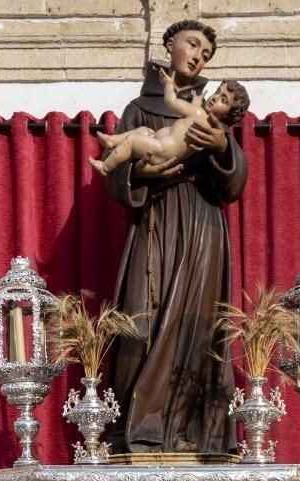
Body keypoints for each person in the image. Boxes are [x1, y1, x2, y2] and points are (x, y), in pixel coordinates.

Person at [101, 19, 250, 456]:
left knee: (196, 323)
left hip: (203, 225)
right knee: (141, 321)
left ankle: (199, 434)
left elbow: (234, 184)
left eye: (205, 53)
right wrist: (141, 172)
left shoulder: (214, 113)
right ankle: (137, 432)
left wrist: (224, 147)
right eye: (192, 45)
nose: (198, 56)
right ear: (170, 45)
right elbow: (116, 172)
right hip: (156, 222)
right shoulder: (140, 107)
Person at [90, 71, 250, 177]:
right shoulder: (203, 118)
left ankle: (105, 167)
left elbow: (171, 101)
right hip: (161, 147)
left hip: (161, 150)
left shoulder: (202, 117)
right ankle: (112, 141)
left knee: (132, 141)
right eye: (217, 92)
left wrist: (168, 85)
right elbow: (195, 115)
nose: (215, 97)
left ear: (229, 114)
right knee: (144, 131)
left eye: (223, 100)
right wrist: (196, 102)